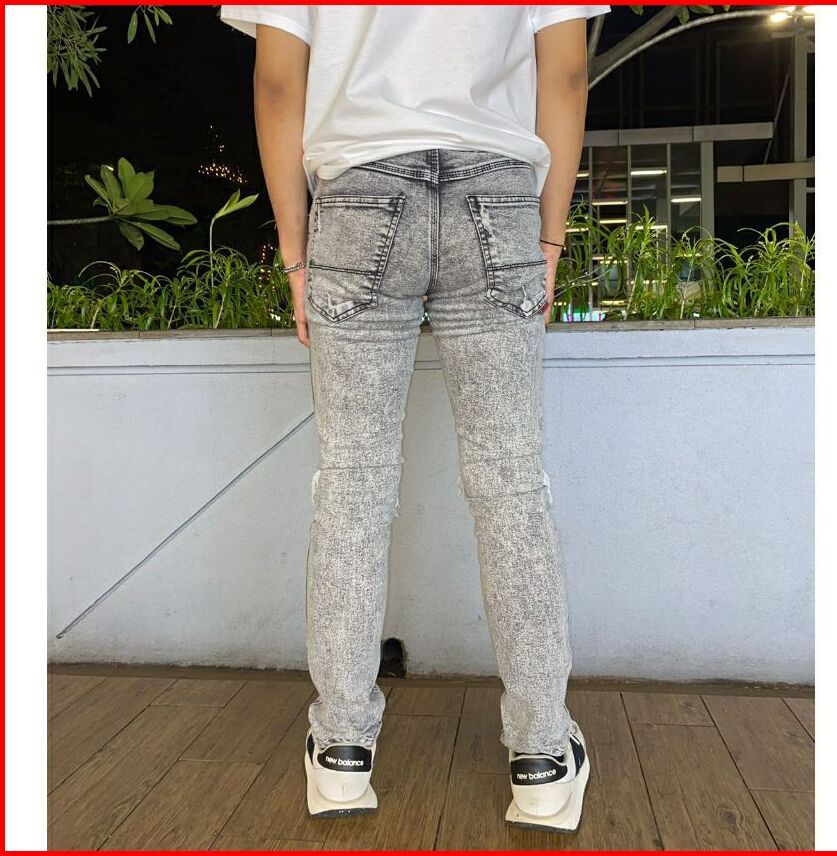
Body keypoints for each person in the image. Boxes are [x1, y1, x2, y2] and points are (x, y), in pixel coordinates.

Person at [219, 3, 610, 833]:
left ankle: (341, 752)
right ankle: (541, 758)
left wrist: (296, 254)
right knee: (510, 486)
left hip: (358, 195)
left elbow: (277, 83)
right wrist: (547, 240)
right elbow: (567, 71)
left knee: (353, 489)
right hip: (496, 190)